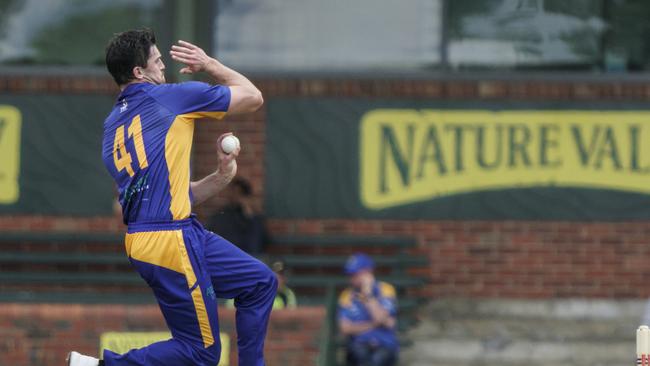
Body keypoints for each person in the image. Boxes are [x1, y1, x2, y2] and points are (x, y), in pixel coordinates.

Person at [67, 29, 277, 366]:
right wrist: (209, 63)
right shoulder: (171, 97)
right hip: (170, 238)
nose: (164, 67)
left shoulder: (112, 126)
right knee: (201, 352)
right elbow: (253, 96)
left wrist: (221, 177)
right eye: (158, 61)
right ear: (139, 72)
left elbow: (167, 196)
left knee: (259, 282)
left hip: (163, 233)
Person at [338, 253, 399, 366]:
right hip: (359, 346)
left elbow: (380, 318)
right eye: (350, 275)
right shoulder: (346, 295)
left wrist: (368, 295)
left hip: (385, 345)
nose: (351, 279)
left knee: (378, 359)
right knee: (361, 356)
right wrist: (374, 324)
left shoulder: (386, 289)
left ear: (368, 272)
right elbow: (345, 328)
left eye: (355, 274)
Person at [206, 177, 268, 255]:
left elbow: (256, 245)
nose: (234, 196)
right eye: (232, 192)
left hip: (248, 257)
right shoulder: (221, 216)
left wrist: (248, 213)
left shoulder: (255, 219)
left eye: (239, 194)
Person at [224, 260, 297, 310]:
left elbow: (290, 317)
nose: (278, 280)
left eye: (281, 276)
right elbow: (229, 313)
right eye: (274, 275)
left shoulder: (287, 294)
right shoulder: (248, 290)